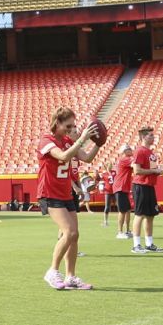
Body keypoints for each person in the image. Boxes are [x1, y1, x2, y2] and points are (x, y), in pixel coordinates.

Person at [40, 109, 101, 290]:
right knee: (69, 232)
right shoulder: (47, 140)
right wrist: (82, 138)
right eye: (68, 126)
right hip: (50, 193)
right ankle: (52, 271)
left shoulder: (68, 141)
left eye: (73, 126)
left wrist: (99, 143)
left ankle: (71, 276)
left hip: (65, 193)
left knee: (75, 236)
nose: (70, 129)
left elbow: (87, 158)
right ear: (56, 123)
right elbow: (63, 156)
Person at [130, 127, 163, 253]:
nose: (153, 137)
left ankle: (149, 243)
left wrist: (157, 171)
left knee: (150, 215)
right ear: (143, 137)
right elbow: (137, 170)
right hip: (141, 186)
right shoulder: (140, 151)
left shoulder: (151, 152)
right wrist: (154, 171)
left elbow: (149, 169)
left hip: (149, 186)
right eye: (150, 135)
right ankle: (136, 245)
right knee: (139, 215)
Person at [112, 145, 135, 239]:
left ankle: (127, 231)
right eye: (129, 149)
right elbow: (136, 163)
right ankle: (120, 232)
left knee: (128, 210)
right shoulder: (125, 159)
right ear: (125, 151)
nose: (131, 150)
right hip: (120, 187)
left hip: (123, 187)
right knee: (122, 211)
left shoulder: (126, 159)